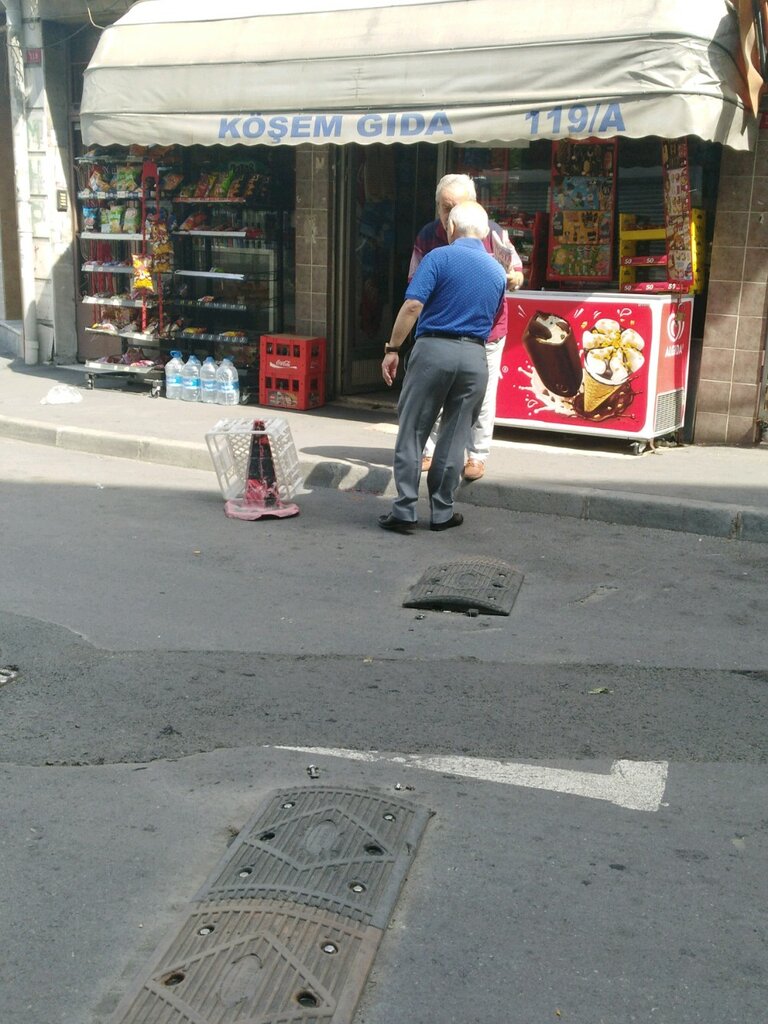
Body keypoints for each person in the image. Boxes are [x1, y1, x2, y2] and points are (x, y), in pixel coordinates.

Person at [378, 201, 507, 534]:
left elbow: (413, 306)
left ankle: (405, 510)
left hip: (434, 350)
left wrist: (393, 348)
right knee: (455, 435)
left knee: (413, 431)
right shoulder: (497, 271)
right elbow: (494, 318)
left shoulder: (438, 257)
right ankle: (442, 512)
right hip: (475, 357)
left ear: (451, 228)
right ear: (484, 233)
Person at [409, 173, 524, 482]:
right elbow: (414, 287)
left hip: (486, 332)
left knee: (483, 395)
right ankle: (428, 450)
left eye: (457, 207)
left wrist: (509, 277)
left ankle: (477, 455)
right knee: (433, 391)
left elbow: (517, 275)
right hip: (441, 331)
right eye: (445, 208)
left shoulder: (493, 233)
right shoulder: (427, 236)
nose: (451, 216)